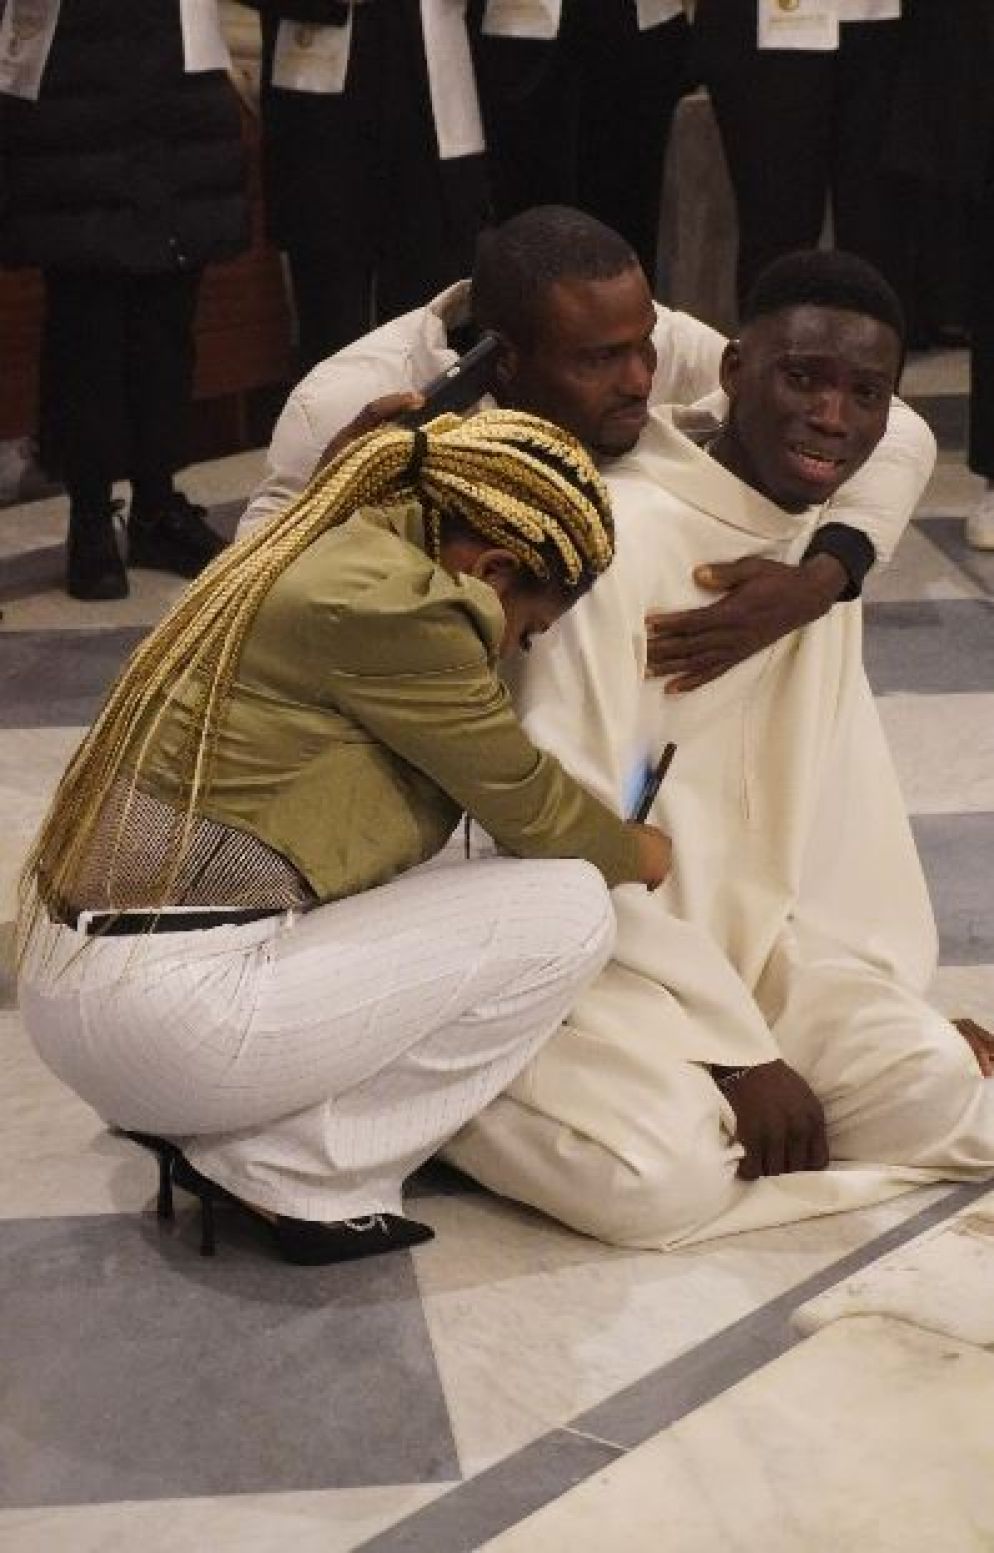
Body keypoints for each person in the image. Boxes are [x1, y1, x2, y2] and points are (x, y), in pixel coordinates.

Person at [16, 408, 671, 1268]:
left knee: (459, 855)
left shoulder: (338, 542)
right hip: (163, 1021)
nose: (515, 648)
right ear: (494, 566)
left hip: (90, 989)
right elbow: (531, 804)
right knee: (572, 906)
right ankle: (289, 1165)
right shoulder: (405, 611)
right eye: (529, 628)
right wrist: (638, 851)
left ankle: (234, 1126)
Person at [443, 250, 994, 1247]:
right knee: (663, 1178)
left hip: (760, 955)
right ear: (731, 369)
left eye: (864, 394)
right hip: (601, 964)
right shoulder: (612, 540)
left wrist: (869, 1001)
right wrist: (737, 1055)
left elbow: (831, 826)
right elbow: (558, 833)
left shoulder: (814, 568)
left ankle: (747, 1093)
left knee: (944, 1092)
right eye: (802, 378)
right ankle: (442, 1096)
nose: (833, 415)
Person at [239, 205, 936, 695]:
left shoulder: (628, 329)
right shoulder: (343, 401)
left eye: (645, 348)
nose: (640, 380)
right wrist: (332, 504)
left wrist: (819, 585)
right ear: (506, 362)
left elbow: (896, 426)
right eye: (603, 361)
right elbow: (237, 618)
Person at [0, 0, 246, 602]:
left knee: (168, 316)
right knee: (87, 320)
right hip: (73, 76)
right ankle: (89, 518)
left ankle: (157, 508)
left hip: (180, 80)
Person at [237, 0, 488, 374]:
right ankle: (334, 430)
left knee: (434, 321)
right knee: (331, 322)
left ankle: (434, 429)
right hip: (321, 111)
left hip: (438, 103)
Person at [693, 1, 911, 311]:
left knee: (877, 227)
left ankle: (872, 353)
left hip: (880, 24)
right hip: (766, 30)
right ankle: (777, 353)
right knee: (777, 227)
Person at [467, 0, 692, 286]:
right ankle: (530, 324)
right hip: (519, 30)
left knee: (628, 212)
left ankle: (622, 323)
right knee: (529, 221)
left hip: (636, 30)